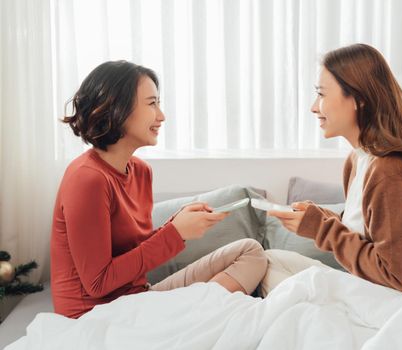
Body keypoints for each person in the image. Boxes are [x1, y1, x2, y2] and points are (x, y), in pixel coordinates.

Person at [51, 61, 267, 318]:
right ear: (115, 107)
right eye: (152, 103)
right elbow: (97, 283)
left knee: (251, 252)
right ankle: (194, 319)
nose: (161, 116)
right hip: (96, 316)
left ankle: (192, 319)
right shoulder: (87, 179)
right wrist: (174, 234)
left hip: (139, 299)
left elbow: (133, 249)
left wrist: (177, 227)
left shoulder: (141, 171)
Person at [267, 43, 402, 308]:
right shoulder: (358, 160)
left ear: (359, 98)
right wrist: (319, 218)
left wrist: (321, 228)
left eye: (321, 94)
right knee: (265, 262)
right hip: (373, 294)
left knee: (274, 285)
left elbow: (400, 277)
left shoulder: (389, 171)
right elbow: (367, 233)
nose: (313, 107)